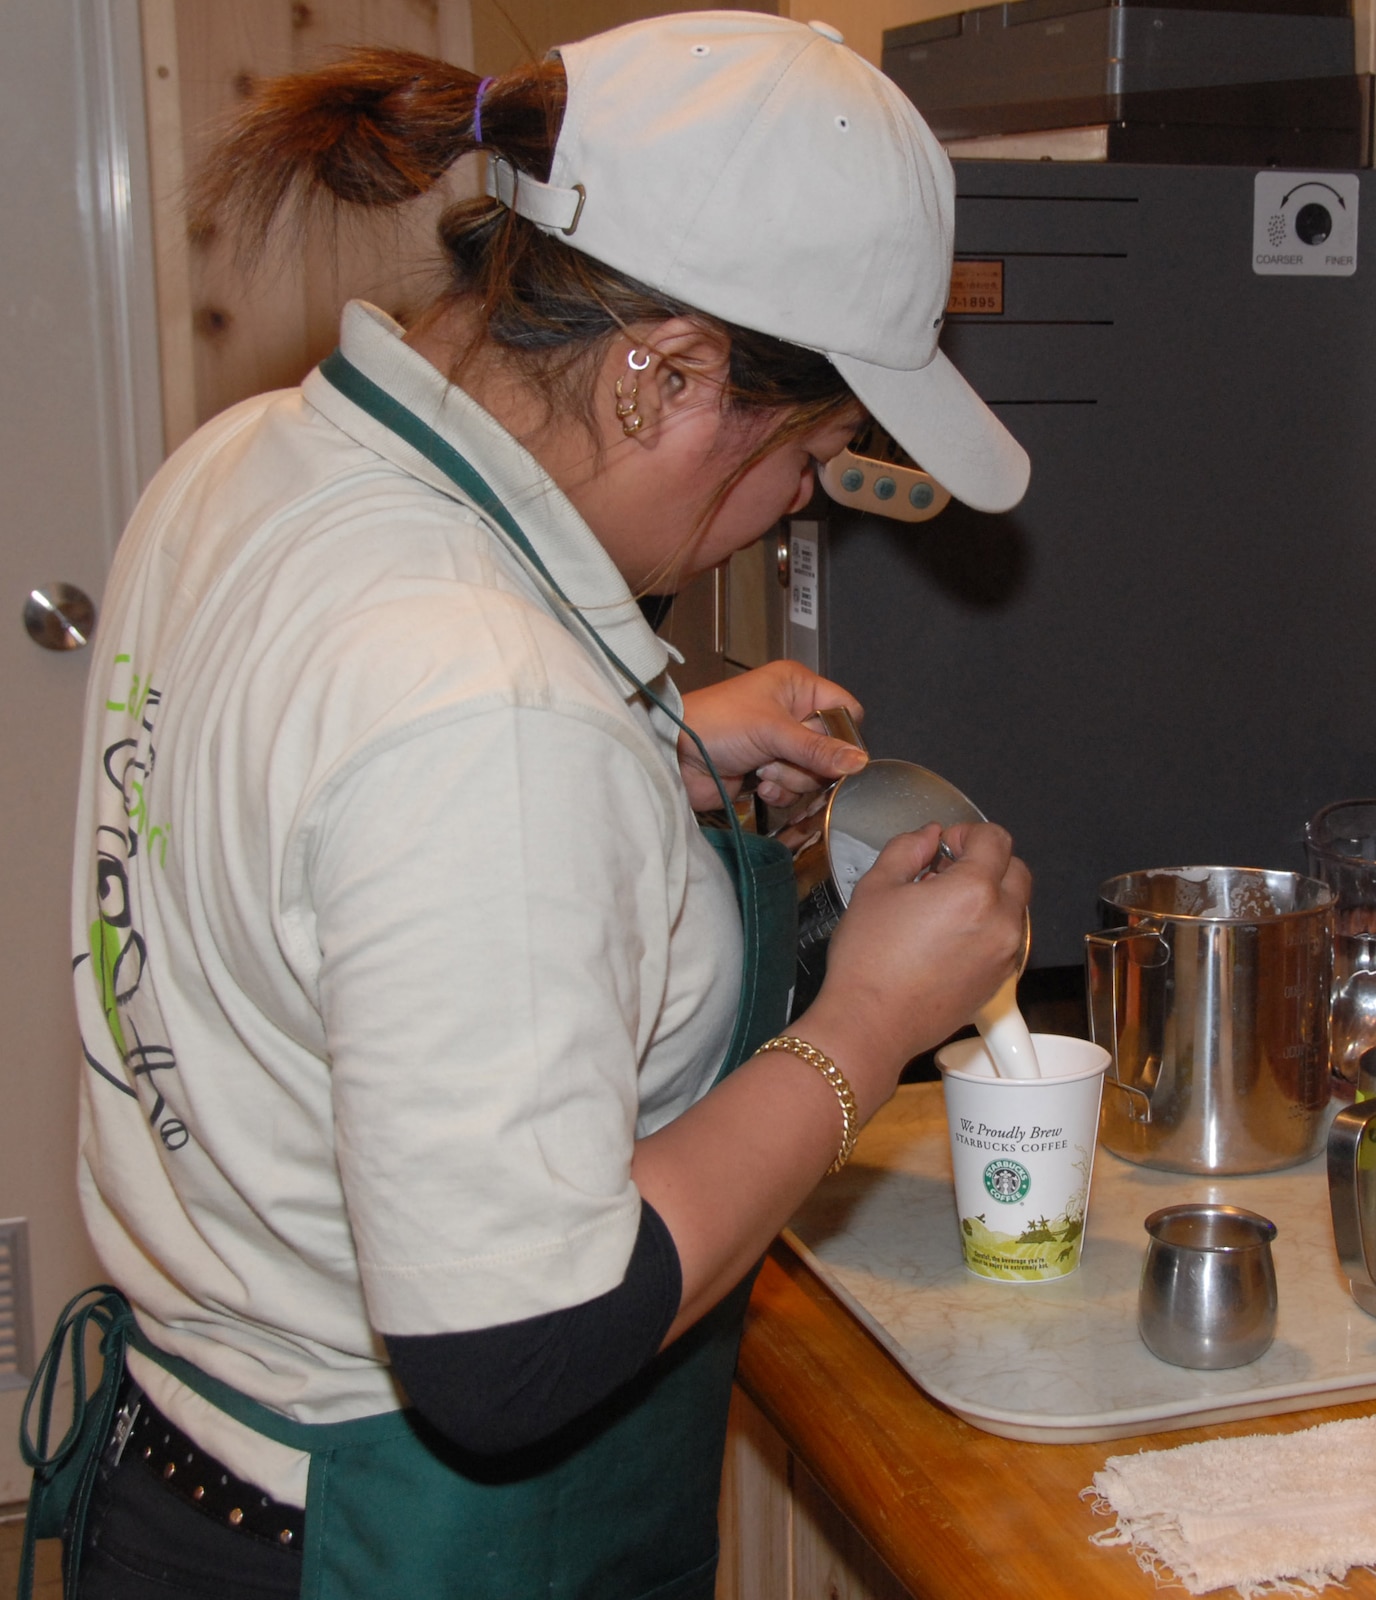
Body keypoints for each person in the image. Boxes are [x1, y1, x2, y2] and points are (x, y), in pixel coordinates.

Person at [24, 15, 1032, 1600]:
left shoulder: (247, 467)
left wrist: (654, 746)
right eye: (813, 456)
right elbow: (518, 1347)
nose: (795, 508)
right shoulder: (481, 706)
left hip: (183, 1481)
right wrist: (867, 1028)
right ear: (663, 377)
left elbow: (314, 812)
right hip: (378, 1545)